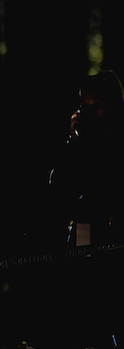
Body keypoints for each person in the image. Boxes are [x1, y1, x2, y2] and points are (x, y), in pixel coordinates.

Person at [48, 70, 124, 248]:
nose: (89, 112)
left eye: (97, 105)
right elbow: (58, 187)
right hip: (84, 233)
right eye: (85, 106)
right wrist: (73, 143)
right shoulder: (80, 144)